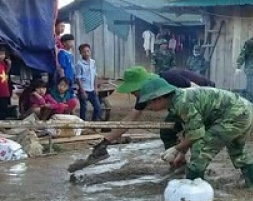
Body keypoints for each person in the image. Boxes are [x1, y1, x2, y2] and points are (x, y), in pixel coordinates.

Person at [67, 66, 216, 172]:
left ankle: (194, 173)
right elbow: (129, 121)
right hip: (184, 107)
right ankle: (178, 164)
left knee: (194, 136)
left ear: (141, 85)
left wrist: (185, 141)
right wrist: (105, 142)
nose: (132, 95)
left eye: (133, 91)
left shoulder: (170, 78)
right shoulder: (145, 95)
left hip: (206, 99)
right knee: (167, 132)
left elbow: (198, 93)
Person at [138, 76, 253, 187]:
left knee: (201, 148)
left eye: (148, 104)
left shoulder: (182, 103)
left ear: (157, 99)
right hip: (245, 111)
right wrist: (182, 153)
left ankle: (192, 190)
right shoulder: (177, 100)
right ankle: (252, 184)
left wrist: (176, 149)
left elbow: (197, 134)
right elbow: (190, 129)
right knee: (237, 149)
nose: (149, 108)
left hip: (235, 114)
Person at [75, 43, 101, 121]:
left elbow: (95, 75)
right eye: (84, 52)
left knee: (98, 107)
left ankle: (93, 125)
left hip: (92, 90)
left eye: (87, 51)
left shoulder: (93, 62)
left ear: (90, 51)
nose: (86, 53)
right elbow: (78, 78)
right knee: (84, 109)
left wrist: (96, 88)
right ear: (80, 53)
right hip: (84, 90)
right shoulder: (79, 64)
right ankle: (83, 125)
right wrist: (82, 91)